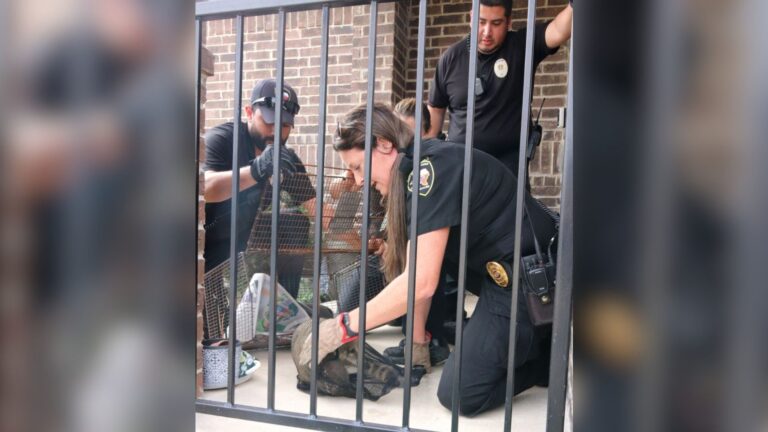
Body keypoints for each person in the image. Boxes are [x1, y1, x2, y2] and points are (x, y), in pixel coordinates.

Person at [299, 103, 557, 416]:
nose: (358, 180)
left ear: (384, 144)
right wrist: (417, 341)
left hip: (534, 281)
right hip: (502, 279)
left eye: (357, 167)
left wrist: (343, 327)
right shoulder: (413, 172)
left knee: (460, 395)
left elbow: (420, 283)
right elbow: (415, 268)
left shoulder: (427, 172)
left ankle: (545, 363)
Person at [203, 78, 319, 298]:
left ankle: (285, 308)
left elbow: (317, 211)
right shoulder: (221, 140)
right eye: (268, 121)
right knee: (207, 324)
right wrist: (256, 171)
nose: (276, 131)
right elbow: (203, 188)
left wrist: (348, 183)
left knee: (295, 222)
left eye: (284, 125)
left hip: (243, 241)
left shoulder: (285, 158)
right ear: (248, 112)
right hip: (202, 242)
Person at [427, 0, 573, 174]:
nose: (487, 32)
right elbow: (433, 116)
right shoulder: (450, 58)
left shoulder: (521, 46)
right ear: (471, 17)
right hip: (461, 171)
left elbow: (558, 30)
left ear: (508, 22)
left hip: (508, 173)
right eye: (481, 22)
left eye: (496, 23)